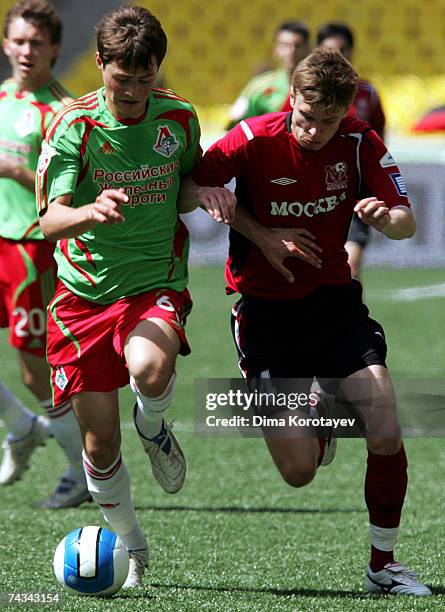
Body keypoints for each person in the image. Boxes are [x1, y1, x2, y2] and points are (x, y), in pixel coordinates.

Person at [190, 48, 431, 596]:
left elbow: (405, 221)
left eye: (326, 121)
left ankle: (382, 566)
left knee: (385, 423)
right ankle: (320, 423)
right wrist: (261, 235)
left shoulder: (358, 142)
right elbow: (190, 186)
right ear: (290, 99)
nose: (313, 131)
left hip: (334, 305)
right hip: (266, 316)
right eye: (304, 118)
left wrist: (384, 217)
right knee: (298, 472)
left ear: (346, 113)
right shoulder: (251, 137)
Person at [37, 5, 209, 588]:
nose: (134, 90)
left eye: (146, 77)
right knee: (99, 442)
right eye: (122, 78)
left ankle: (155, 425)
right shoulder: (74, 125)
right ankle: (132, 549)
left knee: (151, 371)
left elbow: (184, 183)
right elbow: (50, 219)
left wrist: (203, 192)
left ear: (159, 69)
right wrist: (90, 210)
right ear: (101, 64)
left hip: (153, 284)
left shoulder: (180, 117)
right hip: (81, 299)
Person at [0, 0, 88, 509]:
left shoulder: (60, 112)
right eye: (19, 40)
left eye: (37, 42)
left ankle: (80, 469)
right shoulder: (4, 97)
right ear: (6, 44)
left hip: (32, 246)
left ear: (55, 47)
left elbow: (69, 190)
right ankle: (20, 428)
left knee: (35, 368)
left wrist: (20, 173)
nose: (27, 50)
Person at [317, 22, 386, 279]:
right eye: (330, 51)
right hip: (313, 189)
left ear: (352, 52)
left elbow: (378, 140)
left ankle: (351, 318)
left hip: (355, 190)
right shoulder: (307, 93)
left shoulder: (367, 93)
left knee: (349, 268)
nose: (338, 57)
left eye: (343, 50)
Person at [226, 20, 310, 130]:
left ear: (308, 49)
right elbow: (236, 125)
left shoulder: (319, 85)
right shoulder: (259, 86)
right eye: (285, 45)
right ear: (275, 48)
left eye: (298, 45)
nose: (292, 51)